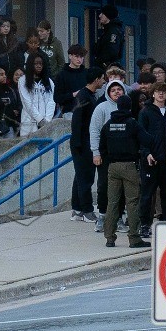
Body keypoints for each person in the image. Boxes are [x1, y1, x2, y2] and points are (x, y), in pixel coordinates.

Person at [98, 95, 150, 248]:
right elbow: (147, 140)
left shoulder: (108, 124)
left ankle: (109, 238)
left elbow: (102, 147)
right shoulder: (132, 124)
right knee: (132, 202)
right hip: (129, 166)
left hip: (113, 167)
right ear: (129, 107)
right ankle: (134, 238)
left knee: (112, 202)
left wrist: (109, 159)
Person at [138, 81, 166, 238]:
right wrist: (146, 152)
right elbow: (141, 135)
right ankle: (145, 225)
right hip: (150, 159)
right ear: (152, 94)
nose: (161, 94)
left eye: (164, 92)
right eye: (158, 92)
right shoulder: (145, 112)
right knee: (147, 194)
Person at [90, 79, 126, 233]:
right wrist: (95, 152)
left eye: (119, 89)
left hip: (123, 155)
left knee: (122, 188)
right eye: (113, 90)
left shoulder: (127, 107)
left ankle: (118, 217)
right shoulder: (101, 108)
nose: (117, 92)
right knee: (104, 186)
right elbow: (94, 131)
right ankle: (103, 216)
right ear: (108, 92)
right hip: (105, 156)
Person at [69, 67, 105, 222]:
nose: (103, 82)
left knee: (80, 176)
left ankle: (76, 209)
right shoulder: (83, 96)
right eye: (102, 78)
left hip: (84, 141)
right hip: (82, 142)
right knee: (86, 177)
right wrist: (78, 144)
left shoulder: (90, 95)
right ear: (96, 79)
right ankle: (87, 210)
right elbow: (77, 120)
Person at [17, 53, 55, 137]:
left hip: (46, 124)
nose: (39, 66)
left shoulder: (49, 81)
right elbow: (27, 102)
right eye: (36, 63)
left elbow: (51, 102)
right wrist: (40, 119)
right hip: (29, 123)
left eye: (41, 63)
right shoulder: (22, 81)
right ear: (31, 64)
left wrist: (47, 120)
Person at [53, 44, 88, 117]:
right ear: (70, 56)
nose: (79, 59)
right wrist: (73, 94)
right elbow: (57, 98)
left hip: (86, 111)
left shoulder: (87, 73)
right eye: (76, 56)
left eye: (81, 57)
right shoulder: (61, 75)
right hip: (69, 112)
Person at [0, 66, 19, 139]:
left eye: (5, 74)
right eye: (1, 74)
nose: (4, 76)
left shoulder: (10, 90)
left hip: (9, 126)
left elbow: (15, 104)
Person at [93, 5, 124, 69]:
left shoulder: (113, 31)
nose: (100, 16)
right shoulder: (108, 30)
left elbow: (111, 51)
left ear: (108, 16)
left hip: (107, 68)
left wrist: (101, 62)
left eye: (102, 13)